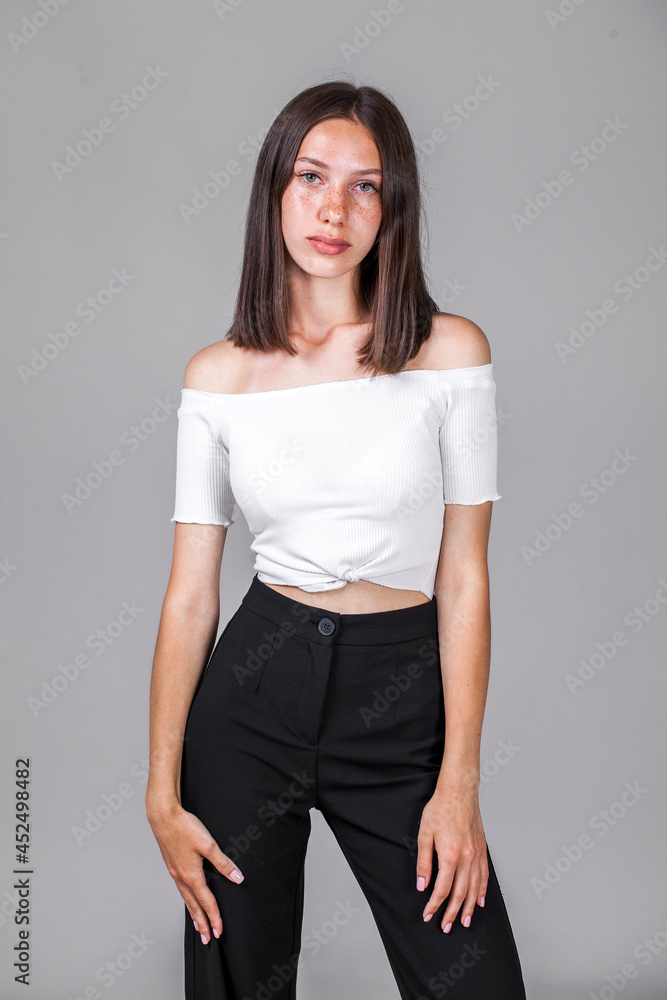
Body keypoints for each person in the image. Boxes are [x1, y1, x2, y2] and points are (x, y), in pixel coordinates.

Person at [145, 80, 527, 1000]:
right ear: (273, 189)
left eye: (366, 185)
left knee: (474, 983)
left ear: (393, 207)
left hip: (396, 699)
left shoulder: (448, 355)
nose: (333, 208)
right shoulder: (218, 375)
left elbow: (464, 579)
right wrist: (161, 790)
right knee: (236, 981)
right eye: (312, 176)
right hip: (251, 695)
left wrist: (459, 782)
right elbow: (191, 594)